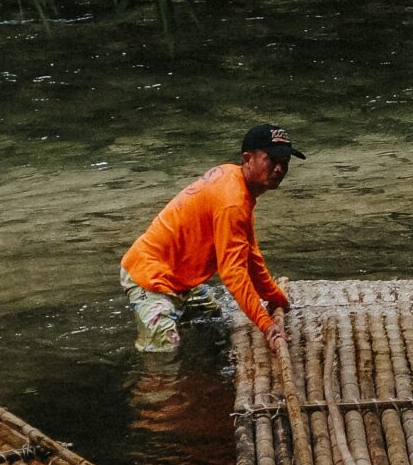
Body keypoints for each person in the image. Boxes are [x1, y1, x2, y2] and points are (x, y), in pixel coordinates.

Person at [118, 123, 302, 353]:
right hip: (148, 276)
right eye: (272, 160)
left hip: (179, 276)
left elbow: (250, 257)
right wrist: (267, 326)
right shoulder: (232, 200)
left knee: (213, 319)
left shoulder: (235, 183)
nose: (279, 169)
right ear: (248, 159)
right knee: (164, 352)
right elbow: (233, 272)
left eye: (285, 162)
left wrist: (275, 297)